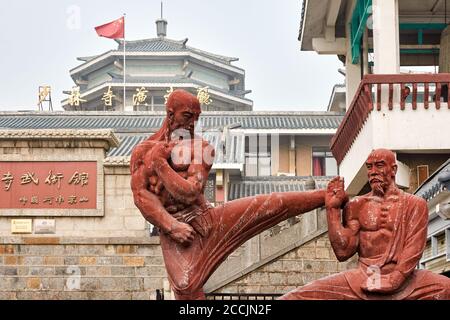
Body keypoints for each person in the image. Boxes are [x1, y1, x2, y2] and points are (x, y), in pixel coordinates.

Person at [130, 89, 326, 299]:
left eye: (196, 118)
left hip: (207, 220)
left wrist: (161, 165)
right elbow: (141, 196)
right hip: (176, 233)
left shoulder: (201, 148)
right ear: (170, 114)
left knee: (269, 205)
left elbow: (190, 193)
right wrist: (172, 226)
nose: (191, 124)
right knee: (185, 286)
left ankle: (324, 196)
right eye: (187, 116)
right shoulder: (143, 152)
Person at [280, 149, 450, 300]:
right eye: (369, 167)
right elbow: (343, 251)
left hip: (404, 279)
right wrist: (332, 210)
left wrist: (395, 279)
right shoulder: (357, 205)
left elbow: (413, 248)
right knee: (297, 297)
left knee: (446, 288)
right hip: (364, 276)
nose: (373, 172)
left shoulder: (415, 204)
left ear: (393, 169)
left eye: (379, 165)